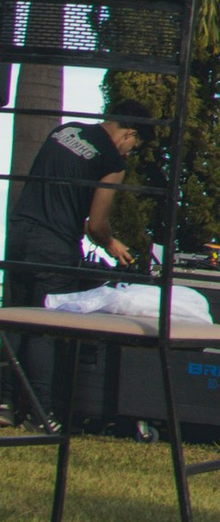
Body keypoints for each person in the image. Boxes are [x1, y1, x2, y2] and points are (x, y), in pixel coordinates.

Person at [2, 97, 148, 419]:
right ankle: (41, 413)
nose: (129, 153)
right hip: (55, 246)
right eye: (134, 147)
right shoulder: (112, 161)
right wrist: (111, 243)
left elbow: (55, 197)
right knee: (45, 327)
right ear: (130, 134)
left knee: (13, 319)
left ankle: (4, 404)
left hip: (20, 234)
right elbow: (96, 225)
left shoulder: (64, 131)